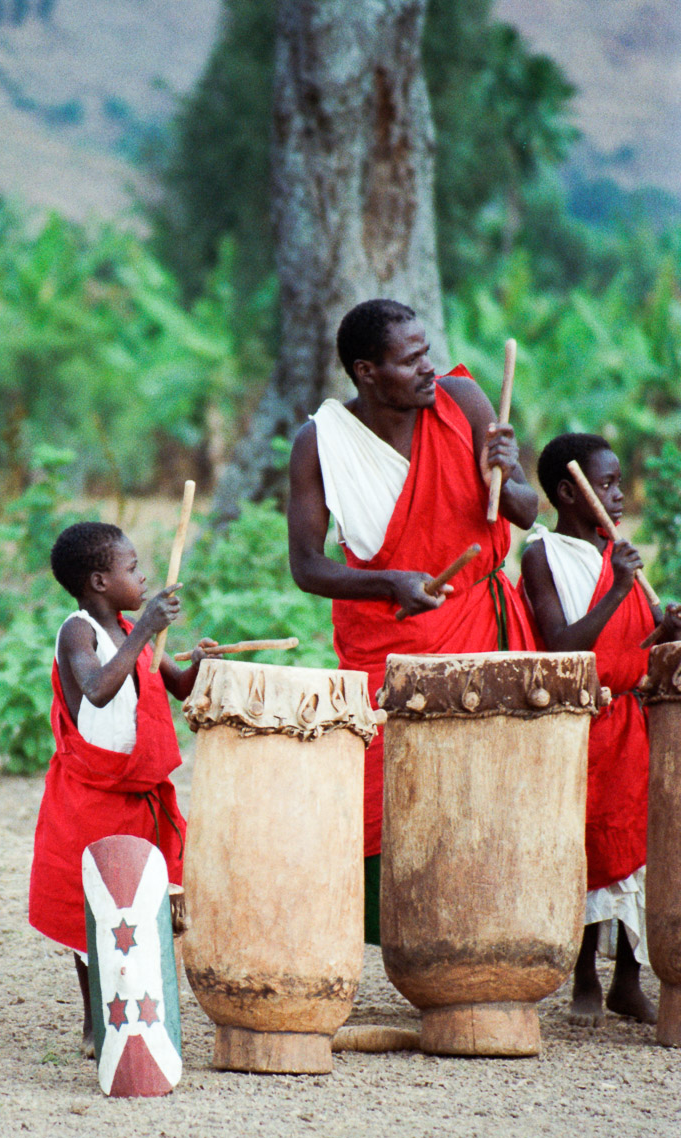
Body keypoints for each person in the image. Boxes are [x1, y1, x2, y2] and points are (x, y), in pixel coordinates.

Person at [287, 298, 538, 942]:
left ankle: (482, 937)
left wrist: (508, 476)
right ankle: (400, 935)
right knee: (385, 794)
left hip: (481, 630)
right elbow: (307, 568)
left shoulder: (465, 400)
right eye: (410, 361)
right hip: (387, 641)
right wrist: (386, 582)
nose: (429, 370)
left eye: (427, 352)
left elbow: (527, 513)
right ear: (366, 372)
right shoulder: (323, 442)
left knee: (486, 790)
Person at [29, 521, 214, 1056]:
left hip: (137, 790)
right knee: (91, 904)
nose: (144, 575)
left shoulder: (134, 629)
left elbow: (172, 683)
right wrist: (141, 633)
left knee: (140, 900)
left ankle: (140, 1006)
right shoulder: (78, 631)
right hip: (91, 791)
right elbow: (97, 689)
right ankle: (95, 1021)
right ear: (99, 582)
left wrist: (199, 663)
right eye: (131, 568)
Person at [519, 433, 681, 1025]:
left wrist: (663, 636)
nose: (617, 496)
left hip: (632, 723)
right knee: (587, 843)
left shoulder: (621, 555)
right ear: (569, 491)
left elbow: (631, 648)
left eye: (616, 484)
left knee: (637, 846)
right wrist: (617, 586)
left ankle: (627, 979)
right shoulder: (543, 554)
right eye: (606, 484)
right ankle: (584, 973)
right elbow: (563, 646)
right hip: (581, 722)